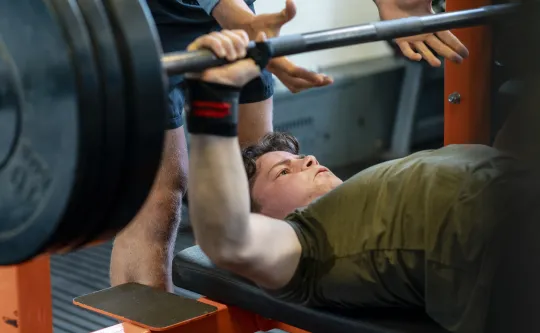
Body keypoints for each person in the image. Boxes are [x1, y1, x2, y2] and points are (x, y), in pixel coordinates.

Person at [110, 0, 470, 293]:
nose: (310, 159)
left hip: (235, 18)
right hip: (143, 19)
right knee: (157, 198)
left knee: (257, 166)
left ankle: (268, 283)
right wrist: (237, 17)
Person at [183, 30, 519, 333]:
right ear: (259, 219)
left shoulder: (365, 194)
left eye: (300, 159)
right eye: (283, 172)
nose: (309, 161)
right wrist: (214, 98)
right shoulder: (304, 250)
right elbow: (229, 240)